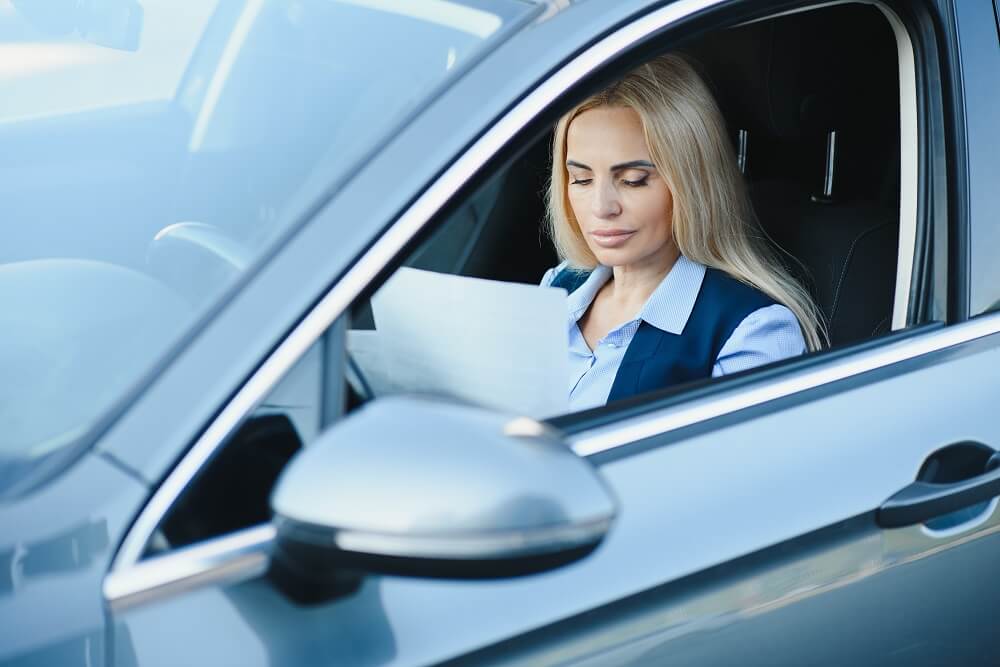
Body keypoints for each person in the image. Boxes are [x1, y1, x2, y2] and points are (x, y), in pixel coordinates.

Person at [541, 53, 825, 411]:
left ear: (691, 184)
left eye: (633, 181)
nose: (601, 207)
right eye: (581, 179)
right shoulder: (559, 285)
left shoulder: (750, 330)